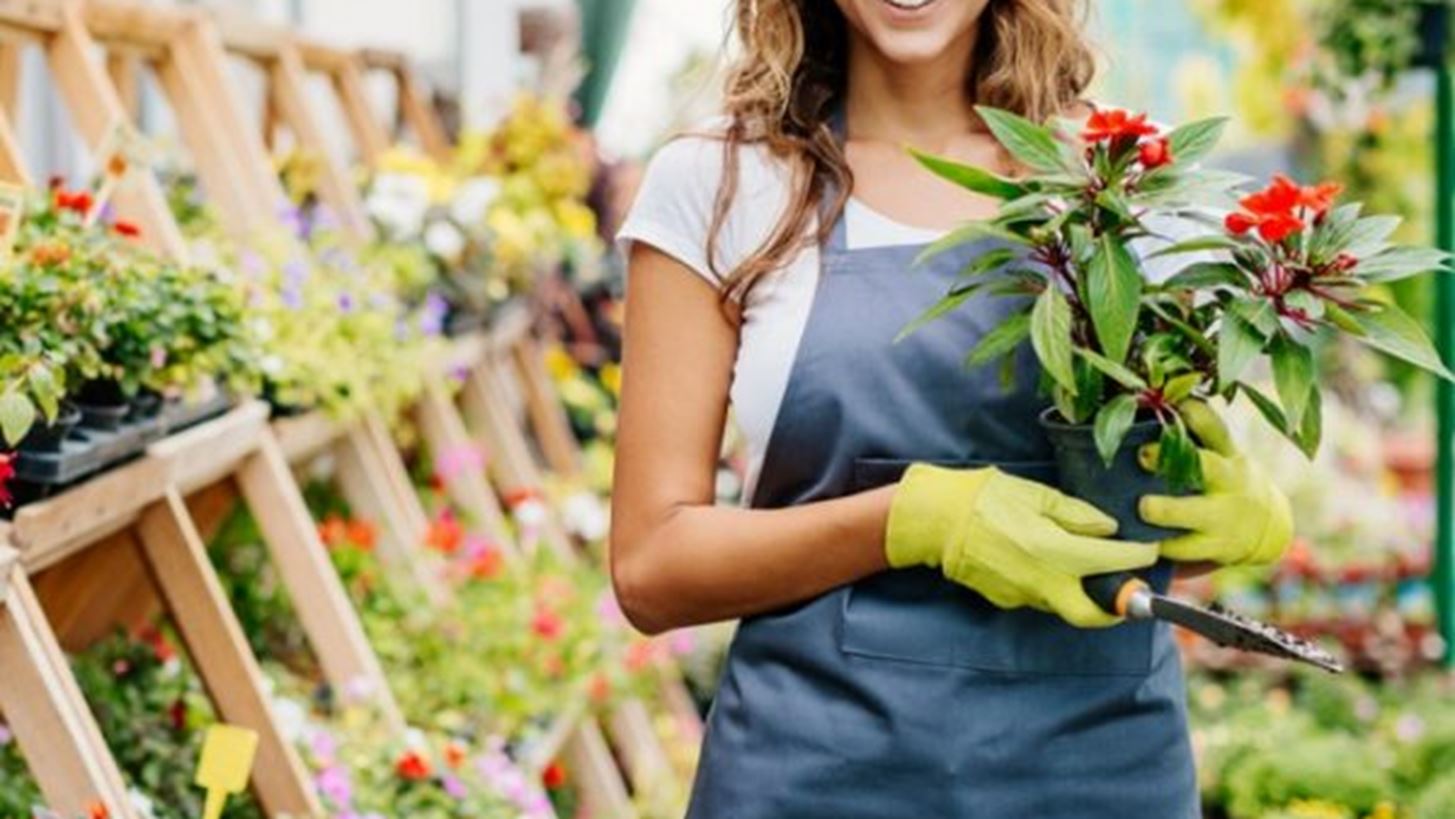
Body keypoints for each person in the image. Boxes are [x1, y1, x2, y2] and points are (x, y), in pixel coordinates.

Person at [610, 1, 1292, 816]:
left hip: (1099, 776)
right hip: (815, 778)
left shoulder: (1129, 179)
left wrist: (1234, 517)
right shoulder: (724, 184)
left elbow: (1137, 514)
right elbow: (651, 568)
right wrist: (915, 519)